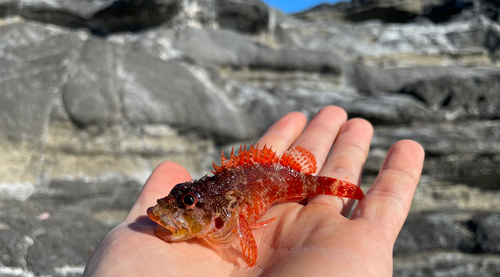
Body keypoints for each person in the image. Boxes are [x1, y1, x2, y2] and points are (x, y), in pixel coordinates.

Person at [83, 106, 424, 277]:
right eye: (183, 200)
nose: (167, 212)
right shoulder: (219, 201)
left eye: (186, 202)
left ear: (222, 211)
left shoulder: (229, 206)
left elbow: (245, 244)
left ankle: (332, 186)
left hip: (288, 177)